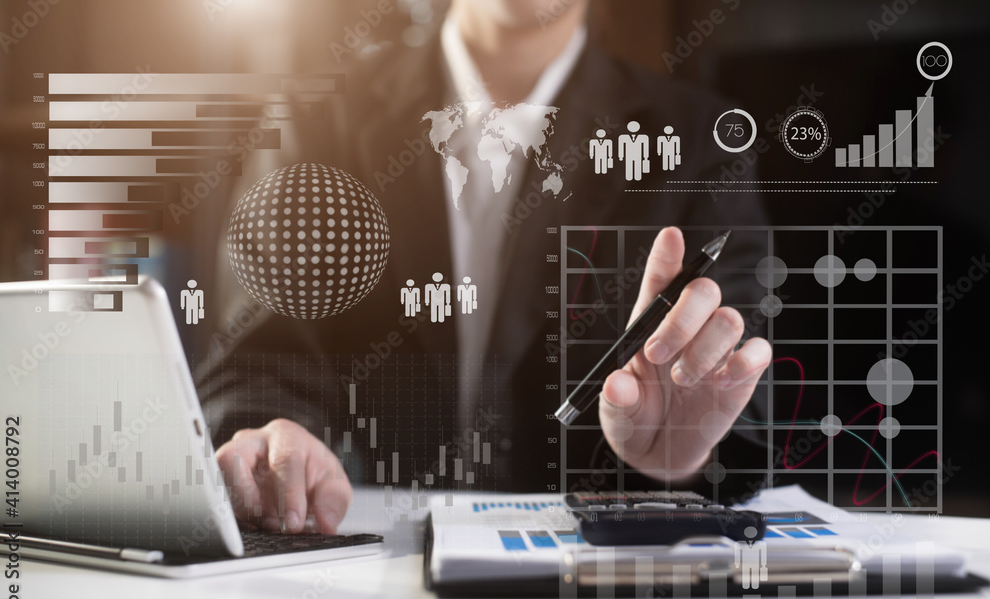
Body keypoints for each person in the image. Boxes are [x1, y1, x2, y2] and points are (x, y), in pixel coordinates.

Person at [198, 0, 772, 535]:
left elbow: (737, 394)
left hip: (582, 581)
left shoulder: (699, 143)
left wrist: (681, 461)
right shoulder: (315, 117)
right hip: (348, 552)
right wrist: (273, 434)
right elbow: (255, 353)